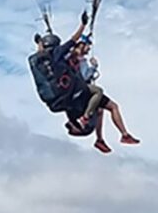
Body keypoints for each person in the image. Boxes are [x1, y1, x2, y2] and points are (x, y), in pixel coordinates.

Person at [30, 18, 139, 153]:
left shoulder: (44, 59)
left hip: (67, 96)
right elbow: (72, 41)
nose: (88, 50)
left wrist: (40, 41)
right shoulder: (62, 54)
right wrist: (83, 25)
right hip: (79, 93)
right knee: (101, 95)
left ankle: (102, 139)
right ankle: (98, 125)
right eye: (87, 47)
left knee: (100, 109)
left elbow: (47, 51)